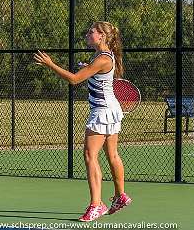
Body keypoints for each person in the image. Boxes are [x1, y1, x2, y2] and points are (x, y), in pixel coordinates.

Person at [34, 21, 131, 222]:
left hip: (103, 111)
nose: (88, 34)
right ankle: (120, 195)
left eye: (92, 32)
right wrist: (90, 68)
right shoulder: (101, 56)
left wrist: (50, 64)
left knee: (90, 155)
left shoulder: (102, 58)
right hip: (111, 109)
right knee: (112, 154)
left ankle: (96, 205)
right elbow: (98, 75)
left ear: (102, 36)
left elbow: (74, 79)